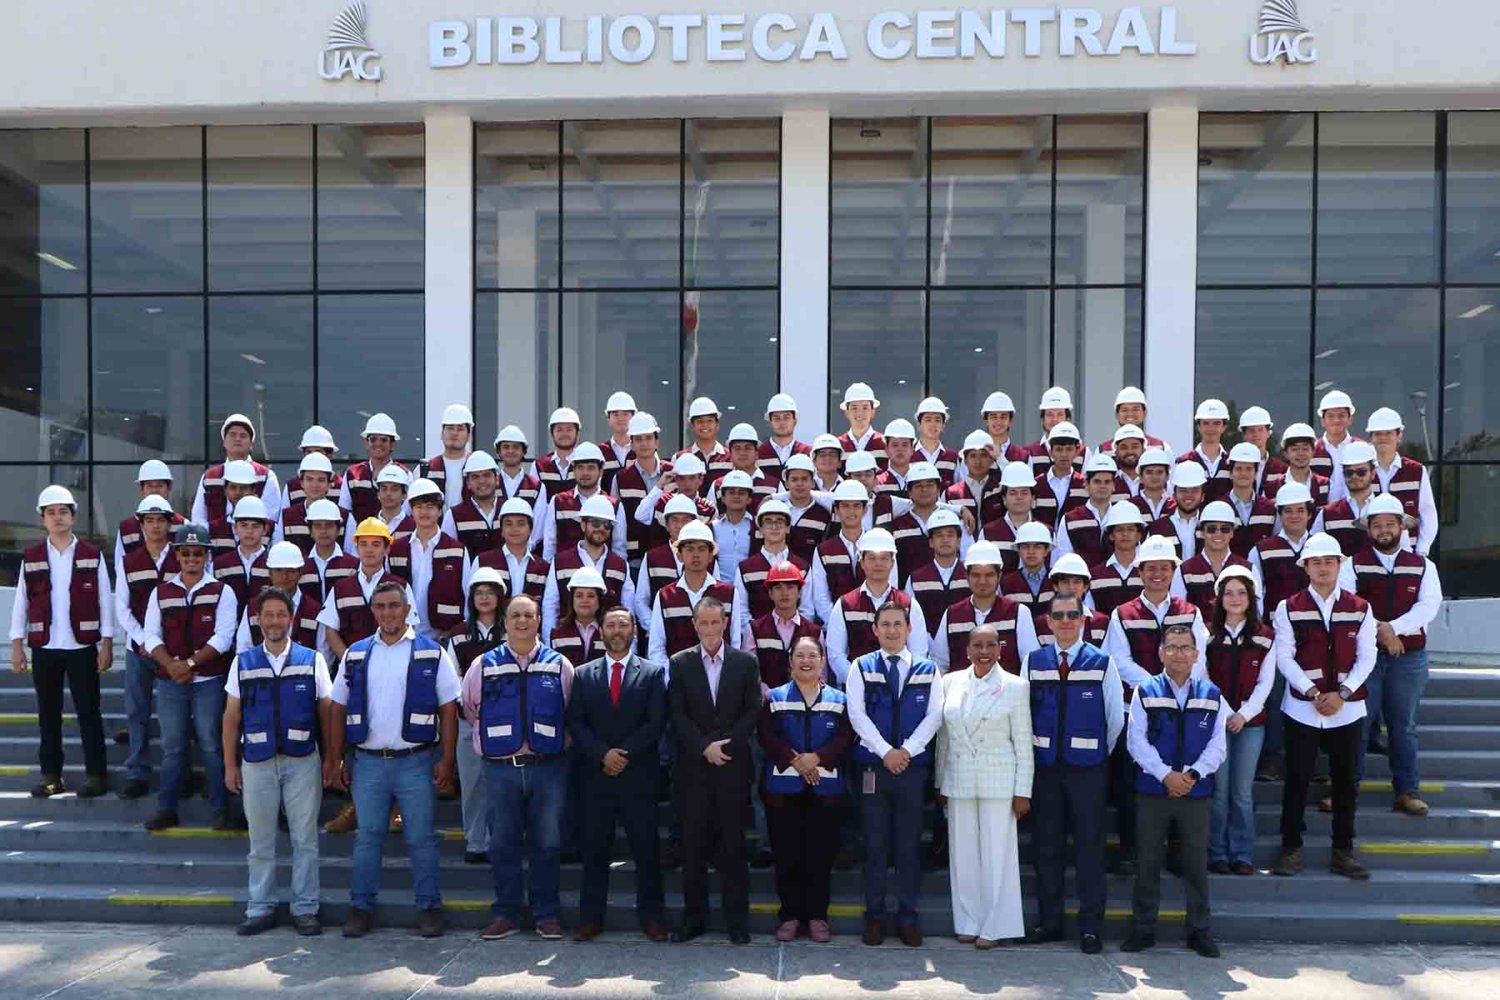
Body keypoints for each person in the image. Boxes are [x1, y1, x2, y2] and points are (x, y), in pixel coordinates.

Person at [326, 580, 460, 938]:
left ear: (406, 609)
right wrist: (334, 758)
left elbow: (448, 709)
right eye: (380, 606)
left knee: (421, 838)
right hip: (367, 761)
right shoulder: (355, 652)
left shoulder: (432, 651)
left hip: (416, 760)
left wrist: (447, 759)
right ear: (373, 611)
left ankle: (429, 907)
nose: (387, 612)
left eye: (394, 606)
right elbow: (337, 706)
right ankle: (360, 908)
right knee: (367, 837)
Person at [460, 594, 573, 941]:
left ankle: (546, 914)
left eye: (528, 615)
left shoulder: (559, 665)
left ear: (539, 620)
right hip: (500, 768)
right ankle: (506, 913)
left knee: (548, 843)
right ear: (504, 622)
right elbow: (470, 709)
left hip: (547, 768)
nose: (522, 621)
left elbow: (570, 712)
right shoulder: (483, 664)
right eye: (515, 616)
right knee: (504, 843)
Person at [221, 587, 333, 937]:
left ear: (292, 619)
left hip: (302, 762)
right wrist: (230, 765)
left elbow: (327, 713)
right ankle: (260, 907)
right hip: (256, 762)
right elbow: (230, 717)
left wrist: (332, 760)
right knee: (261, 841)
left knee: (305, 840)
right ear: (258, 620)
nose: (274, 621)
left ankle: (305, 908)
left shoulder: (312, 659)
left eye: (281, 615)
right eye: (268, 615)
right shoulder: (243, 661)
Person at [1022, 593, 1125, 955]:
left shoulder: (1102, 662)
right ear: (1048, 622)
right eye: (1058, 615)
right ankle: (1050, 923)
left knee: (1089, 848)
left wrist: (1094, 754)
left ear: (1083, 620)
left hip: (1087, 772)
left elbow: (1115, 719)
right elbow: (1023, 715)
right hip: (1045, 769)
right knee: (1046, 848)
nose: (1066, 621)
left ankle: (1090, 928)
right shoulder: (1033, 661)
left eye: (1073, 615)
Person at [1272, 532, 1376, 881]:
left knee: (1347, 782)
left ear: (1339, 564)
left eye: (1329, 562)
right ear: (1305, 567)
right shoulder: (1288, 607)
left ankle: (1343, 851)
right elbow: (1283, 658)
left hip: (1348, 708)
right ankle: (1290, 848)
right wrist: (1312, 691)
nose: (1322, 568)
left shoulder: (1361, 607)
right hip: (1303, 708)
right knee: (1297, 780)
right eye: (1315, 562)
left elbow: (1368, 656)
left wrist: (1343, 693)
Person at [1103, 534, 1209, 874]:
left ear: (1173, 570)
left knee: (1177, 778)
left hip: (1183, 711)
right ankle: (1131, 849)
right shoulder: (1123, 613)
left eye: (1165, 568)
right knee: (1129, 785)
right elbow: (1117, 659)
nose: (1158, 574)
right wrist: (1155, 687)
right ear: (1140, 571)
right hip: (1134, 710)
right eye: (1151, 568)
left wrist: (1173, 684)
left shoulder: (1190, 612)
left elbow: (1200, 657)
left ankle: (1177, 849)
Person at [1121, 623, 1227, 959]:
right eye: (1172, 647)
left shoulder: (1211, 693)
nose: (1178, 653)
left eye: (1185, 648)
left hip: (1195, 793)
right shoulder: (1145, 690)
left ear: (1196, 655)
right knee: (1148, 861)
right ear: (1160, 652)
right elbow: (1135, 740)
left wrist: (1191, 775)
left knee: (1196, 864)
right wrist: (1167, 776)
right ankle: (1143, 929)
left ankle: (1200, 931)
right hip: (1153, 791)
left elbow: (1218, 746)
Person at [566, 605, 669, 941]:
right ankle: (590, 918)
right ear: (601, 632)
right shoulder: (583, 674)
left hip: (638, 775)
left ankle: (652, 917)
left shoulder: (652, 673)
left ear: (633, 631)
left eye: (623, 625)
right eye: (610, 625)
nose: (617, 630)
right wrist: (603, 754)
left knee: (646, 851)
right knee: (595, 851)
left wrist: (623, 754)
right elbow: (576, 722)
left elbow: (656, 723)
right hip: (597, 776)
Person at [846, 602, 943, 947]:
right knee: (874, 845)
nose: (891, 630)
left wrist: (907, 751)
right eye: (884, 624)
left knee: (907, 846)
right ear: (874, 630)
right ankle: (874, 916)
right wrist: (886, 752)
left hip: (911, 770)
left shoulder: (928, 670)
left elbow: (934, 716)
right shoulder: (861, 666)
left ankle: (907, 916)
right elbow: (856, 715)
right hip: (874, 767)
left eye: (897, 624)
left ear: (909, 628)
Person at [1339, 493, 1442, 815]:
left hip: (1408, 658)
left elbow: (1429, 607)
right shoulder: (1352, 563)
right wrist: (1382, 632)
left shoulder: (1424, 565)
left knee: (1403, 725)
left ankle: (1407, 791)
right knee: (1357, 723)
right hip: (1364, 660)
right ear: (1368, 529)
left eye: (1389, 524)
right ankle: (1345, 790)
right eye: (1377, 525)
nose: (1383, 530)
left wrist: (1392, 629)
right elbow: (1348, 605)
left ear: (1402, 526)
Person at [667, 597, 761, 944]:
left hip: (733, 768)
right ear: (694, 625)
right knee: (693, 847)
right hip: (694, 769)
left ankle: (737, 921)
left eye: (715, 622)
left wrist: (726, 745)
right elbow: (677, 714)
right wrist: (703, 747)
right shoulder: (680, 663)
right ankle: (695, 918)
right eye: (702, 623)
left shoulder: (745, 662)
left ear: (725, 623)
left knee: (733, 847)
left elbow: (752, 711)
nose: (709, 629)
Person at [11, 485, 113, 800]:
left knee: (89, 712)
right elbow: (21, 602)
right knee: (48, 713)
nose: (58, 517)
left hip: (82, 647)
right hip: (45, 647)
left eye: (63, 512)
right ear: (42, 519)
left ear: (73, 517)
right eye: (51, 512)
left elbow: (104, 600)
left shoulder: (91, 555)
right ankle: (51, 776)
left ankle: (96, 776)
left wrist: (107, 643)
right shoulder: (31, 557)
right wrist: (17, 644)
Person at [937, 624, 1033, 948]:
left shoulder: (1016, 686)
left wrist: (1023, 791)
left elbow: (1023, 743)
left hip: (1000, 780)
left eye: (991, 645)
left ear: (1000, 649)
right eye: (977, 645)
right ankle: (968, 920)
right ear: (967, 650)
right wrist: (940, 782)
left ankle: (995, 924)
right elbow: (944, 739)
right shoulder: (950, 682)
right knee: (962, 854)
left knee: (998, 855)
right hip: (959, 776)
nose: (984, 651)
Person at [140, 523, 239, 831]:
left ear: (207, 556)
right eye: (186, 552)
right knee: (172, 746)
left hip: (208, 681)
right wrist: (171, 666)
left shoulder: (223, 591)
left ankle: (221, 807)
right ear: (177, 554)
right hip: (170, 681)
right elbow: (150, 636)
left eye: (198, 553)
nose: (192, 558)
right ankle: (167, 807)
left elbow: (224, 636)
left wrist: (191, 664)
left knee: (211, 743)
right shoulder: (161, 591)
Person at [759, 634, 851, 944]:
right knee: (787, 855)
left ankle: (817, 917)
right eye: (800, 656)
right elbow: (766, 735)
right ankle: (789, 916)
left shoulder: (839, 699)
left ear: (823, 661)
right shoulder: (774, 698)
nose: (806, 661)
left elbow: (844, 737)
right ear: (790, 662)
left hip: (825, 791)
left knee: (819, 855)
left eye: (812, 655)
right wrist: (794, 760)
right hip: (784, 789)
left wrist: (818, 759)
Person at [1204, 566, 1276, 876]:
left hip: (1252, 724)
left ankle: (1242, 854)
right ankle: (1217, 852)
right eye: (1228, 593)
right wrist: (1225, 713)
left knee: (1242, 792)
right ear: (1220, 598)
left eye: (1241, 592)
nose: (1235, 598)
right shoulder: (1207, 635)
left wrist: (1244, 714)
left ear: (1252, 598)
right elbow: (1203, 678)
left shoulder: (1265, 635)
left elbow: (1266, 682)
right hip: (1216, 724)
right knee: (1218, 793)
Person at [114, 494, 178, 800]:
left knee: (173, 714)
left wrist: (162, 645)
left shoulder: (182, 557)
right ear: (140, 525)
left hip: (173, 648)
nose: (155, 526)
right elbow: (122, 608)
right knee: (137, 711)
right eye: (149, 521)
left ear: (169, 523)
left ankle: (176, 774)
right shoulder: (129, 561)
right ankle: (137, 772)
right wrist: (143, 640)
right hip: (138, 649)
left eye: (161, 520)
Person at [445, 567, 507, 865]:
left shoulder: (511, 628)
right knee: (472, 783)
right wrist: (469, 705)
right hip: (469, 719)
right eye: (479, 593)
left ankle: (501, 838)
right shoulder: (458, 634)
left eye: (490, 592)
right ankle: (475, 839)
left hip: (506, 719)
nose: (484, 598)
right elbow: (452, 677)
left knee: (502, 784)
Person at [825, 529, 930, 685]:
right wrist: (860, 682)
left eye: (884, 558)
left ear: (892, 562)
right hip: (857, 690)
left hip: (901, 688)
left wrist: (899, 683)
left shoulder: (909, 604)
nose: (878, 564)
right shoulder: (845, 604)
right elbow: (836, 655)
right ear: (862, 562)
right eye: (872, 558)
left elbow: (919, 652)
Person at [930, 540, 1037, 674]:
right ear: (966, 576)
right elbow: (939, 664)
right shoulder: (952, 614)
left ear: (999, 576)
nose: (982, 581)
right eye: (976, 575)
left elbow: (1030, 664)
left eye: (989, 575)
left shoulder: (1018, 612)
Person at [543, 494, 633, 639]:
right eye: (595, 523)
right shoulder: (560, 561)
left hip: (607, 647)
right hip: (568, 645)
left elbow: (628, 611)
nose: (601, 528)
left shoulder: (621, 565)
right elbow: (550, 606)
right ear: (583, 525)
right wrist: (549, 645)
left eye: (607, 525)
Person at [389, 479, 468, 642]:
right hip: (403, 633)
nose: (424, 512)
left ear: (440, 511)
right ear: (411, 510)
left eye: (430, 507)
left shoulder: (457, 550)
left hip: (443, 635)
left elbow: (467, 594)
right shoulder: (396, 548)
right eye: (419, 507)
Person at [647, 521, 735, 665]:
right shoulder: (665, 596)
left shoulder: (729, 593)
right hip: (677, 680)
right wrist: (671, 677)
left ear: (710, 556)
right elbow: (657, 647)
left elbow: (734, 641)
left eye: (701, 549)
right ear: (679, 555)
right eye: (689, 549)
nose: (695, 555)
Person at [732, 499, 813, 642]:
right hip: (758, 642)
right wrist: (757, 634)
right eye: (768, 521)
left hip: (796, 641)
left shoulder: (802, 566)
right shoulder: (745, 568)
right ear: (760, 528)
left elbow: (807, 609)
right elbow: (742, 611)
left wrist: (793, 634)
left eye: (780, 521)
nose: (774, 526)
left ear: (788, 528)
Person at [235, 542, 327, 661]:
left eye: (291, 571)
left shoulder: (315, 610)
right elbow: (243, 649)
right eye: (278, 570)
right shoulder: (253, 608)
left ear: (300, 573)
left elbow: (323, 653)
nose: (284, 576)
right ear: (270, 573)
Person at [1365, 406, 1438, 556]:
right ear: (1371, 437)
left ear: (1399, 435)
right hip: (1370, 553)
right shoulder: (1361, 471)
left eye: (1389, 433)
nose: (1383, 437)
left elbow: (1427, 513)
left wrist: (1422, 550)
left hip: (1408, 553)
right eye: (1378, 433)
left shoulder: (1416, 471)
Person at [542, 442, 627, 563]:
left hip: (601, 577)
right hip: (565, 575)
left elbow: (619, 548)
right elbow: (550, 545)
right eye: (580, 467)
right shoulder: (557, 502)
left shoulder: (615, 505)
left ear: (601, 471)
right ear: (574, 470)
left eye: (591, 468)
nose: (585, 473)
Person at [193, 413, 282, 526]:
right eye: (232, 435)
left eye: (243, 435)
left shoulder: (266, 476)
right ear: (224, 442)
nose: (237, 439)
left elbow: (270, 517)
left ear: (251, 444)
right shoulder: (209, 477)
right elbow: (198, 518)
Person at [1172, 501, 1251, 622]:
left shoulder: (1248, 569)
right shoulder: (1184, 571)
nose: (1218, 534)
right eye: (1211, 529)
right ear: (1202, 532)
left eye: (1225, 529)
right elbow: (1178, 613)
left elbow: (1255, 611)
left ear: (1232, 533)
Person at [613, 412, 671, 567]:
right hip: (634, 560)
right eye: (638, 439)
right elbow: (617, 523)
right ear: (631, 444)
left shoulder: (673, 474)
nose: (644, 443)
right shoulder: (621, 479)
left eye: (648, 438)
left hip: (669, 558)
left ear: (657, 442)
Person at [901, 508, 969, 639]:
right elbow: (910, 618)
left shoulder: (972, 574)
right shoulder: (916, 579)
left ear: (959, 540)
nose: (945, 540)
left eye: (950, 535)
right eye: (939, 535)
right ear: (931, 542)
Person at [113, 459, 183, 585]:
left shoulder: (184, 525)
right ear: (141, 489)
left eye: (160, 485)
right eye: (150, 485)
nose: (154, 490)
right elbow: (120, 568)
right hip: (139, 596)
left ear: (169, 488)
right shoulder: (126, 529)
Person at [809, 480, 871, 622]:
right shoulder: (823, 550)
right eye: (845, 506)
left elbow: (890, 586)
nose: (851, 511)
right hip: (835, 623)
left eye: (856, 506)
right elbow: (821, 598)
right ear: (836, 510)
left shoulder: (879, 545)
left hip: (875, 627)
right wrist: (839, 623)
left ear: (865, 509)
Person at [475, 497, 551, 604]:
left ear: (530, 529)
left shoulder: (543, 568)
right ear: (501, 530)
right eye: (508, 524)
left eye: (521, 523)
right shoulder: (483, 561)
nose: (514, 529)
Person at [338, 413, 407, 524]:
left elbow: (408, 513)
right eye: (373, 439)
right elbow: (344, 513)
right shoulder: (353, 474)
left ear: (393, 444)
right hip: (360, 540)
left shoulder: (405, 474)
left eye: (384, 440)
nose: (378, 444)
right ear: (366, 443)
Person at [1054, 454, 1120, 568]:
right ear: (1086, 484)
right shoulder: (1070, 519)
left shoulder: (1122, 517)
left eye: (1107, 482)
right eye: (1097, 481)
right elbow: (1064, 559)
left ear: (1114, 485)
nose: (1102, 486)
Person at [444, 451, 506, 560]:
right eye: (475, 477)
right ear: (468, 483)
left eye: (486, 475)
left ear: (497, 479)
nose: (481, 481)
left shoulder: (509, 509)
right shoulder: (454, 515)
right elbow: (447, 554)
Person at [980, 462, 1041, 573]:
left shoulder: (1046, 531)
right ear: (1004, 498)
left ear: (1033, 497)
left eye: (1024, 493)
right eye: (1013, 493)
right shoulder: (988, 532)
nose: (1019, 497)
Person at [275, 453, 339, 556]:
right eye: (309, 479)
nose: (315, 485)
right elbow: (278, 551)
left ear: (329, 484)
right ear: (301, 483)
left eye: (321, 480)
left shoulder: (344, 516)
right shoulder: (286, 516)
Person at [1089, 504, 1146, 616]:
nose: (1125, 534)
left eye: (1130, 529)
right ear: (1111, 536)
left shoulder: (1150, 572)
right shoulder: (1095, 575)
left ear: (1139, 535)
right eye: (1119, 530)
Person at [1223, 442, 1278, 556]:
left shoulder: (1270, 509)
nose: (1243, 473)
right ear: (1230, 473)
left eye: (1248, 469)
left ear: (1256, 473)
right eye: (1238, 469)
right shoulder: (1220, 507)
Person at [343, 463, 413, 553]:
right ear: (378, 494)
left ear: (404, 495)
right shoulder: (365, 527)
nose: (388, 493)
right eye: (384, 489)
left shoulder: (414, 528)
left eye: (394, 489)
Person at [1262, 422, 1331, 511]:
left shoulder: (1326, 485)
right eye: (1295, 449)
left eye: (1305, 449)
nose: (1300, 453)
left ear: (1313, 452)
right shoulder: (1270, 489)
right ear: (1285, 453)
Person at [549, 566, 609, 665]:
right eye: (579, 596)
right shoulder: (558, 633)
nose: (585, 600)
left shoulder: (609, 632)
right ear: (572, 600)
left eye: (591, 596)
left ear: (599, 600)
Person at [300, 499, 356, 603]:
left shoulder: (354, 565)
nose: (323, 531)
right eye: (317, 526)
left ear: (338, 530)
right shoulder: (301, 566)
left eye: (329, 525)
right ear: (310, 531)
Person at [1033, 422, 1087, 528]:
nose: (1064, 454)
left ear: (1077, 451)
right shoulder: (1036, 485)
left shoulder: (1085, 485)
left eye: (1069, 449)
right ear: (1050, 452)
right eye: (1059, 449)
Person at [1177, 399, 1233, 503]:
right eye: (1206, 423)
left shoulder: (1232, 462)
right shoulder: (1183, 461)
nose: (1211, 428)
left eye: (1216, 423)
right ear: (1198, 426)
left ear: (1224, 427)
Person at [781, 454, 834, 563]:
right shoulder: (777, 511)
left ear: (813, 483)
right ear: (786, 483)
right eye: (794, 479)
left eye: (804, 479)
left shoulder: (823, 515)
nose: (800, 484)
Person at [1152, 461, 1208, 561]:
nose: (1188, 495)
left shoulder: (1212, 526)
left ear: (1203, 496)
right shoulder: (1158, 528)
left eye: (1194, 490)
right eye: (1183, 490)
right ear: (1174, 495)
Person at [422, 403, 475, 509]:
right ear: (442, 433)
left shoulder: (477, 467)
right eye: (450, 428)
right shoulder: (425, 469)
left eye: (460, 429)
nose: (454, 433)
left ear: (469, 436)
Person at [1311, 389, 1362, 499]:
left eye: (1341, 415)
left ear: (1350, 419)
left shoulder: (1363, 449)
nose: (1336, 420)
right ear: (1322, 421)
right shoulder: (1311, 451)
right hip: (1320, 513)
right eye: (1330, 416)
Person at [947, 430, 1004, 527]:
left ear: (991, 459)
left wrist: (1000, 458)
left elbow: (1018, 482)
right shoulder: (951, 493)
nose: (978, 461)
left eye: (983, 455)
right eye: (973, 456)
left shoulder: (1001, 490)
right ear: (965, 460)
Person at [680, 396, 734, 494]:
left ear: (717, 424)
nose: (705, 425)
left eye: (710, 421)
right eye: (700, 421)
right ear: (692, 426)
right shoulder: (680, 458)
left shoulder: (731, 457)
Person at [494, 425, 545, 523]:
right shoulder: (491, 485)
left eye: (516, 447)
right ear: (499, 452)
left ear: (523, 451)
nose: (510, 451)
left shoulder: (537, 487)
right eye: (506, 447)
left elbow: (539, 523)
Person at [1098, 387, 1171, 456]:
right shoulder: (1103, 450)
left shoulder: (1161, 448)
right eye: (1124, 410)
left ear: (1145, 413)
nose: (1130, 414)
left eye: (1135, 409)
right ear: (1116, 415)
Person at [1025, 386, 1080, 477]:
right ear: (1042, 419)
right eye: (1050, 414)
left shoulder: (1084, 452)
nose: (1055, 420)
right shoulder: (1029, 453)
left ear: (1068, 419)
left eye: (1060, 414)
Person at [284, 425, 342, 508]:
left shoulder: (341, 485)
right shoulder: (292, 486)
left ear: (330, 455)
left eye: (318, 452)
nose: (313, 456)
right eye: (309, 452)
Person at [534, 406, 584, 501]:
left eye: (569, 429)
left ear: (577, 433)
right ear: (552, 433)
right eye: (559, 430)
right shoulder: (539, 466)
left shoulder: (586, 463)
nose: (564, 434)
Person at [759, 392, 811, 482]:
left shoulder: (807, 452)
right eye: (777, 418)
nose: (782, 422)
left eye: (786, 417)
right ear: (770, 422)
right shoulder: (759, 453)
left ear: (795, 420)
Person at [1237, 407, 1286, 495]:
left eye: (1260, 429)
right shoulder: (1233, 466)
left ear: (1268, 433)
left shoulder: (1281, 469)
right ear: (1244, 435)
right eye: (1251, 430)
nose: (1256, 434)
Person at [838, 382, 887, 469]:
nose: (859, 413)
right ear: (846, 412)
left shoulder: (884, 443)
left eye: (865, 408)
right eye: (854, 408)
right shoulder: (838, 445)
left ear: (873, 411)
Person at [914, 396, 960, 485]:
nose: (933, 424)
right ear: (919, 425)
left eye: (937, 420)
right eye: (928, 420)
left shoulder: (953, 458)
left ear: (943, 426)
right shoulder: (908, 456)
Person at [598, 390, 638, 492]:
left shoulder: (642, 449)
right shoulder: (600, 452)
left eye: (625, 414)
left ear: (634, 417)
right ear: (608, 419)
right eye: (615, 414)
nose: (621, 418)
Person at [979, 390, 1030, 468]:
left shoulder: (1023, 457)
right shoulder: (975, 454)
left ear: (1010, 421)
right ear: (986, 420)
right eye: (993, 416)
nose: (998, 422)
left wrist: (999, 458)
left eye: (1003, 417)